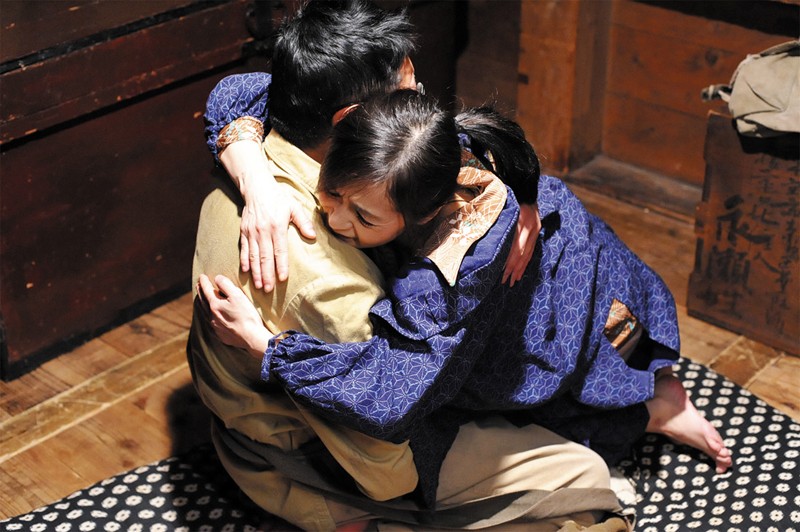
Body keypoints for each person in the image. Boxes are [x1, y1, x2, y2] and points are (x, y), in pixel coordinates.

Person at [189, 1, 627, 530]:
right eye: (407, 88)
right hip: (309, 456)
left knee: (580, 277)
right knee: (589, 479)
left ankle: (648, 386)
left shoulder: (274, 141)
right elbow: (388, 447)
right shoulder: (329, 269)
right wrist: (271, 351)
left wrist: (526, 196)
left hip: (301, 412)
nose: (420, 97)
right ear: (353, 119)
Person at [201, 90, 733, 483]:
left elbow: (393, 393)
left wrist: (270, 350)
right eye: (332, 192)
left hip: (568, 299)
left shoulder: (446, 279)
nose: (335, 220)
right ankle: (655, 392)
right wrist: (257, 181)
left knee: (581, 395)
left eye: (363, 217)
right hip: (555, 251)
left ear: (425, 212)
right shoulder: (402, 132)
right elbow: (256, 87)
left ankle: (659, 407)